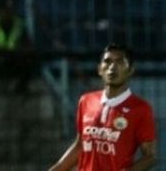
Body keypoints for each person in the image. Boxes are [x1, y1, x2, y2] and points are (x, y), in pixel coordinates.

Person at [48, 43, 157, 171]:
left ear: (130, 70)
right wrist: (57, 168)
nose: (112, 67)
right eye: (107, 61)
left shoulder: (141, 108)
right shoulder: (86, 101)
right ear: (100, 69)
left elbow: (150, 156)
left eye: (120, 62)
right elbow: (81, 145)